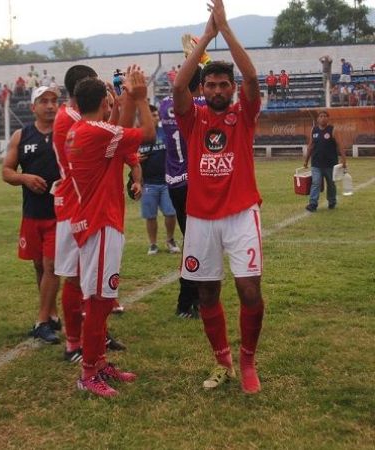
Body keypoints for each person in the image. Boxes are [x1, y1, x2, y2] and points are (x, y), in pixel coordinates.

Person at [172, 0, 266, 394]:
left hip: (241, 214)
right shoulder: (192, 117)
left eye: (223, 84)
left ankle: (247, 361)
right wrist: (206, 36)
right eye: (210, 85)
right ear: (203, 89)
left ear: (231, 89)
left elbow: (252, 76)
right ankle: (222, 361)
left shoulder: (244, 114)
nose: (216, 90)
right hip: (200, 217)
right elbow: (178, 86)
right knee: (207, 292)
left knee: (249, 289)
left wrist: (224, 30)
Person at [67, 69, 155, 398]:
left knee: (100, 300)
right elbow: (148, 132)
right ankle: (89, 372)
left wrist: (125, 99)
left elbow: (119, 130)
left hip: (95, 220)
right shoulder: (96, 132)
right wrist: (140, 97)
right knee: (99, 301)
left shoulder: (79, 131)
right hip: (100, 222)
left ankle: (99, 363)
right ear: (104, 103)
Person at [53, 65, 127, 364]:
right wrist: (121, 104)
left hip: (83, 201)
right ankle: (74, 343)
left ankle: (95, 339)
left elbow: (112, 133)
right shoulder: (73, 120)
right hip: (76, 204)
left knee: (92, 281)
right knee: (75, 278)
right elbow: (113, 132)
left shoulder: (75, 118)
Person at [2, 85, 62, 344]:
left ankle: (42, 321)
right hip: (32, 213)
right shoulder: (21, 135)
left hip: (59, 213)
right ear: (33, 107)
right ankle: (52, 313)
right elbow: (6, 171)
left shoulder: (65, 132)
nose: (50, 105)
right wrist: (24, 178)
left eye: (54, 100)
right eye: (44, 101)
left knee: (51, 266)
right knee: (39, 265)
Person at [160, 69, 204, 319]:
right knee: (195, 242)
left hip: (174, 181)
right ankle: (187, 300)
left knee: (193, 239)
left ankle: (194, 296)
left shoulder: (165, 104)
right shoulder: (199, 105)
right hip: (191, 181)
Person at [139, 106, 180, 256]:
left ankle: (170, 240)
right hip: (148, 183)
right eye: (150, 115)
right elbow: (128, 155)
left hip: (167, 181)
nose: (153, 118)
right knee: (150, 216)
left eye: (155, 115)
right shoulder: (139, 135)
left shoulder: (166, 133)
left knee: (171, 212)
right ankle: (153, 244)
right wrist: (134, 158)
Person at [303, 110, 347, 212]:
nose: (323, 118)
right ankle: (313, 204)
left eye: (325, 116)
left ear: (328, 118)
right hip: (316, 163)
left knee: (331, 184)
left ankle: (332, 201)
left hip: (330, 164)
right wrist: (306, 160)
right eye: (321, 116)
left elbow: (340, 145)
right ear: (317, 119)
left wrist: (343, 159)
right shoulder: (314, 130)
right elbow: (310, 146)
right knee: (316, 183)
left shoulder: (333, 130)